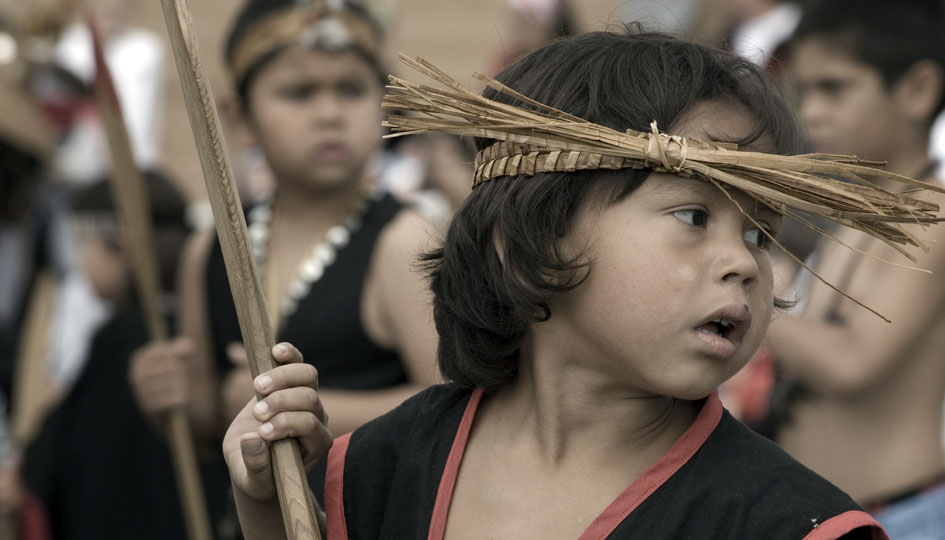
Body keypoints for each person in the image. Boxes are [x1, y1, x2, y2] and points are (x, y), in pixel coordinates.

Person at [218, 26, 945, 539]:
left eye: (756, 232)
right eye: (693, 215)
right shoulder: (376, 467)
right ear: (526, 243)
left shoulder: (785, 523)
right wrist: (263, 503)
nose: (745, 262)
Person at [129, 0, 439, 504]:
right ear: (238, 116)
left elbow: (453, 408)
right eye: (299, 92)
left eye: (352, 89)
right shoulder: (210, 248)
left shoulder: (404, 241)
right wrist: (171, 398)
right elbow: (211, 424)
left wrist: (302, 409)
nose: (330, 113)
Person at [762, 1, 945, 537]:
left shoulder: (933, 213)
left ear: (917, 89)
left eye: (834, 88)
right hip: (836, 515)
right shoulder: (863, 208)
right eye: (805, 92)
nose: (812, 111)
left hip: (899, 517)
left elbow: (854, 363)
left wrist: (745, 297)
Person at [19, 171, 194, 540]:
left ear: (122, 242)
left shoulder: (126, 338)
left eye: (86, 244)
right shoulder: (188, 325)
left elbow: (62, 456)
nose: (82, 262)